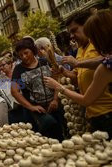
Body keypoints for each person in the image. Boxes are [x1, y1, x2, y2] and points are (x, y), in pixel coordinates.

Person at [44, 10, 112, 138]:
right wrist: (64, 72)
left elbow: (86, 99)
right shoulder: (81, 49)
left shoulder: (103, 60)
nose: (72, 36)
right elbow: (77, 78)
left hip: (107, 114)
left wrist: (60, 88)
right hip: (94, 115)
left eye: (74, 30)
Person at [11, 38, 63, 141]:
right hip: (37, 113)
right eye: (20, 55)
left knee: (60, 137)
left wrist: (55, 99)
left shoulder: (44, 62)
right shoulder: (18, 70)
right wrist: (31, 107)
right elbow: (14, 91)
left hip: (54, 107)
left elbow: (56, 80)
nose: (24, 57)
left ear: (33, 50)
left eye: (26, 53)